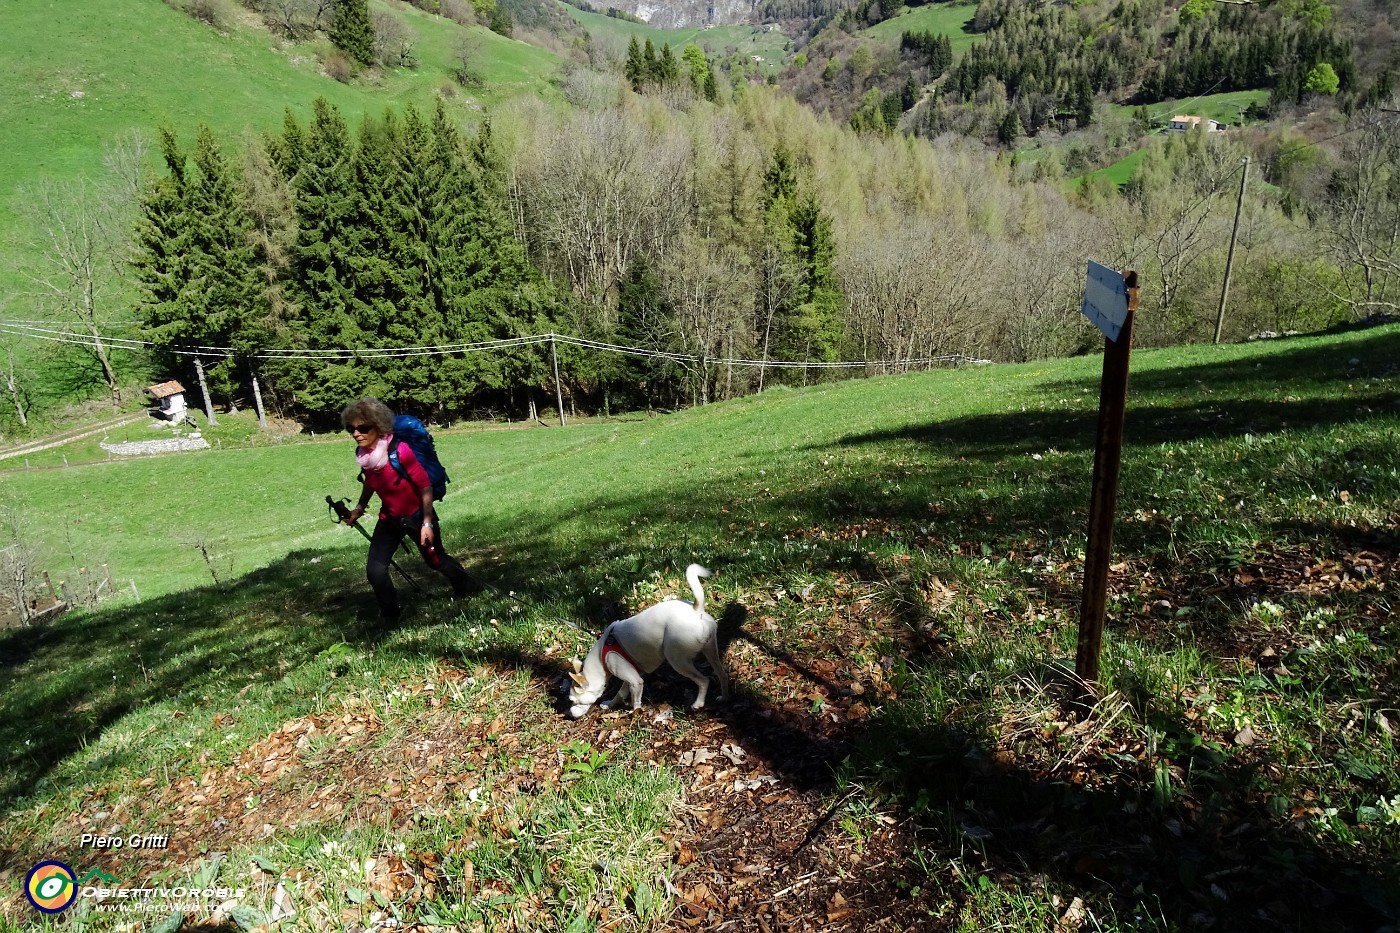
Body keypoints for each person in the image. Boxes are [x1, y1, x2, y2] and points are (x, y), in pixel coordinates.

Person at [339, 398, 482, 623]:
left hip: (417, 516)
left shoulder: (399, 450)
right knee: (375, 570)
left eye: (363, 428)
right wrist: (358, 509)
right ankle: (390, 617)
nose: (356, 433)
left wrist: (426, 523)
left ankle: (467, 585)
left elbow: (424, 486)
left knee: (436, 561)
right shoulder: (364, 455)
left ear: (378, 426)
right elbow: (371, 482)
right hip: (390, 518)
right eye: (351, 429)